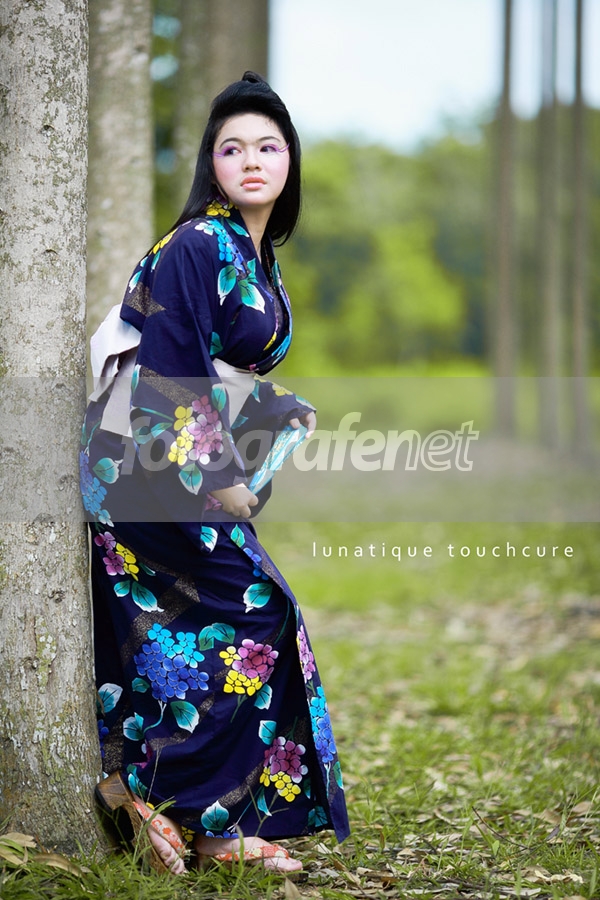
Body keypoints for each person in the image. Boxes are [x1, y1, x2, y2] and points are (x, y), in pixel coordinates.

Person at [80, 72, 350, 875]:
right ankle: (152, 793)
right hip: (144, 464)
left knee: (226, 623)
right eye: (233, 149)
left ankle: (199, 822)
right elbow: (170, 366)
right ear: (212, 163)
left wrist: (274, 416)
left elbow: (228, 369)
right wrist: (220, 475)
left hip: (175, 461)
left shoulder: (258, 256)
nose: (252, 161)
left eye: (269, 146)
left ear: (291, 161)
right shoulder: (202, 241)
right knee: (256, 611)